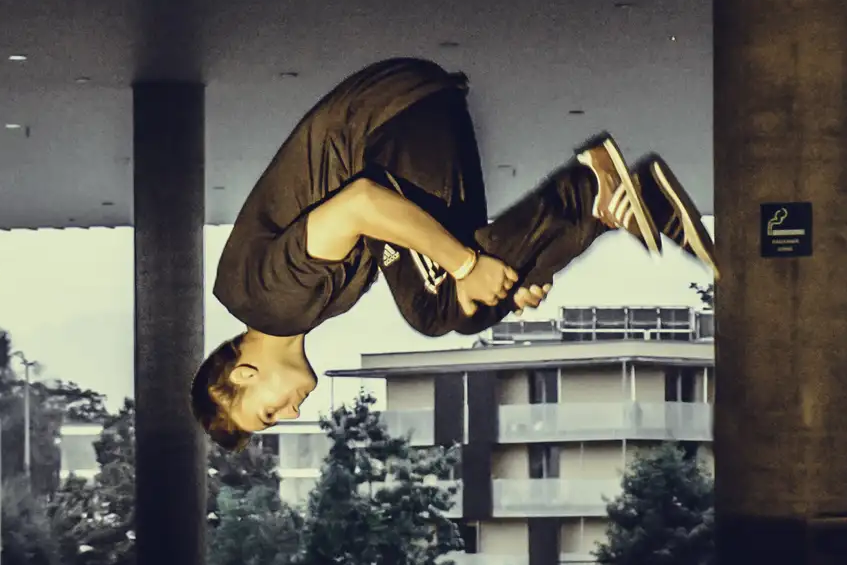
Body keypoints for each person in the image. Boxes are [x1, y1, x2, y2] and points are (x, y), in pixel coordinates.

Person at [192, 57, 717, 449]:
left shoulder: (271, 299)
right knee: (450, 308)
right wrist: (515, 271)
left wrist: (467, 266)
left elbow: (359, 205)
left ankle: (587, 195)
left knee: (441, 306)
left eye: (265, 415)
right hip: (403, 127)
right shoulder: (299, 309)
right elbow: (401, 239)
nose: (287, 415)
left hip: (388, 121)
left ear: (242, 376)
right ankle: (599, 206)